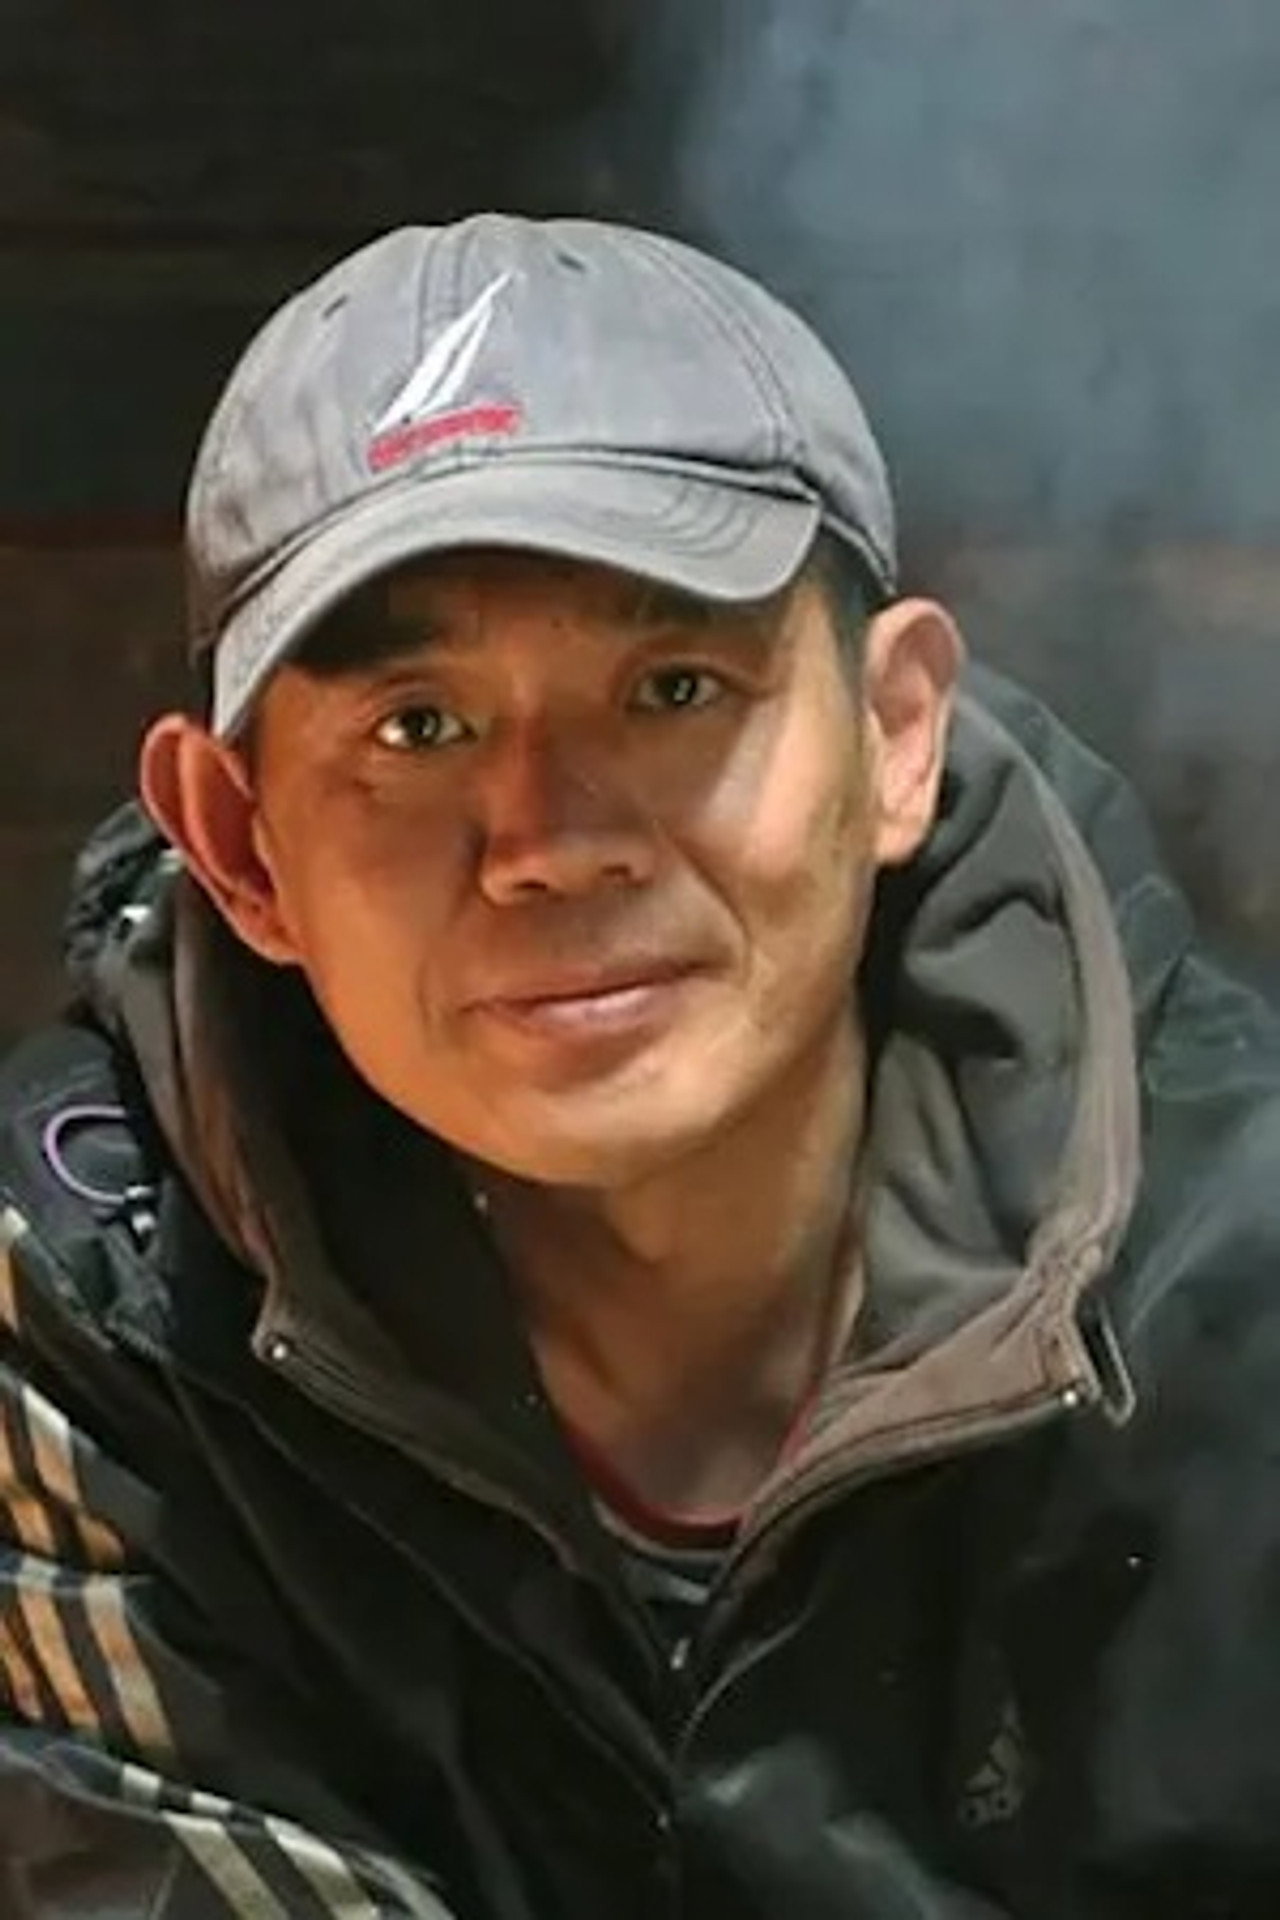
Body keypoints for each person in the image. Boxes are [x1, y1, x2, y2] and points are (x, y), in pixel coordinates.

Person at [1, 213, 1279, 1920]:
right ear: (238, 847)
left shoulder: (1235, 1280)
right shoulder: (95, 1317)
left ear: (896, 735)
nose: (550, 842)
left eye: (675, 687)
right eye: (418, 727)